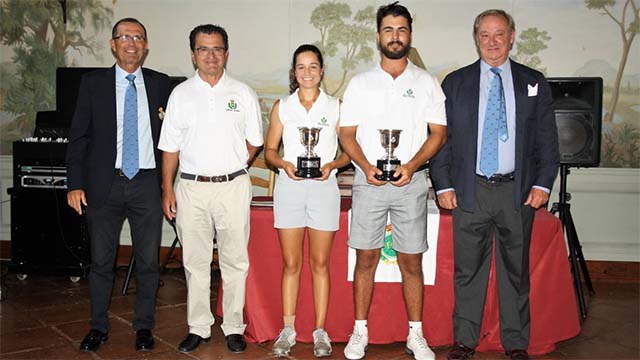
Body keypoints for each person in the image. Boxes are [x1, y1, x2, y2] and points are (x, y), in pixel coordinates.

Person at [429, 9, 559, 360]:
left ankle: (515, 342)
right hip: (470, 190)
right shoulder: (454, 84)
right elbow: (441, 139)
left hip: (517, 191)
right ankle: (465, 340)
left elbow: (547, 140)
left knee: (515, 271)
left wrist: (544, 183)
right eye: (485, 35)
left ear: (512, 36)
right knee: (468, 269)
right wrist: (443, 185)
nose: (492, 42)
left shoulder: (534, 81)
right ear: (476, 38)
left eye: (499, 34)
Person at [338, 3, 447, 360]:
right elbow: (347, 134)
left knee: (411, 261)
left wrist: (413, 165)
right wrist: (366, 167)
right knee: (366, 258)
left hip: (411, 183)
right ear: (378, 36)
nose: (395, 36)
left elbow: (438, 134)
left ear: (409, 35)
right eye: (388, 30)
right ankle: (360, 331)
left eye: (401, 29)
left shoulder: (426, 82)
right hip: (369, 182)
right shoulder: (360, 83)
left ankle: (416, 334)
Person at [66, 18, 170, 353]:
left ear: (146, 46)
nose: (131, 42)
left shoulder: (161, 85)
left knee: (148, 262)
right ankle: (98, 326)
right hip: (103, 185)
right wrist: (74, 183)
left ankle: (144, 327)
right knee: (101, 262)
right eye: (124, 36)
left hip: (146, 184)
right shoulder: (92, 83)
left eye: (138, 37)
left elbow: (176, 135)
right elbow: (79, 136)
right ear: (113, 44)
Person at [158, 24, 263, 354]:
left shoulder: (242, 93)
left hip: (233, 187)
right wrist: (167, 189)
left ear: (226, 53)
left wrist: (231, 165)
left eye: (217, 48)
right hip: (191, 188)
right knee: (195, 262)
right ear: (193, 55)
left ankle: (234, 326)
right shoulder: (181, 95)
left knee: (235, 261)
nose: (211, 55)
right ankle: (199, 327)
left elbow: (254, 142)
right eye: (203, 49)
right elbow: (170, 148)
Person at [264, 44, 350, 358]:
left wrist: (333, 165)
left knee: (320, 264)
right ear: (294, 72)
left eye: (313, 66)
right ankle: (288, 330)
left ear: (322, 71)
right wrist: (284, 164)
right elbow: (270, 151)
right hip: (289, 188)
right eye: (301, 67)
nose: (307, 73)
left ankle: (320, 331)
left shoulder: (336, 106)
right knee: (290, 264)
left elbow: (348, 151)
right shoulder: (282, 107)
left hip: (325, 188)